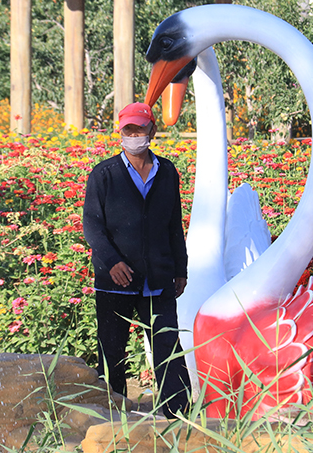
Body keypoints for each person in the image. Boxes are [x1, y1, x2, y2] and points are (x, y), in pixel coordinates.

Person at [83, 102, 191, 416]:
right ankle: (110, 416)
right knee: (111, 351)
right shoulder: (103, 175)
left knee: (167, 346)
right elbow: (92, 226)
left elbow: (174, 224)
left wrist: (180, 268)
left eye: (139, 129)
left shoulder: (166, 172)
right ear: (120, 133)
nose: (133, 136)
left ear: (151, 131)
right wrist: (112, 262)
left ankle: (179, 415)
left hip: (158, 278)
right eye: (128, 130)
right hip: (114, 281)